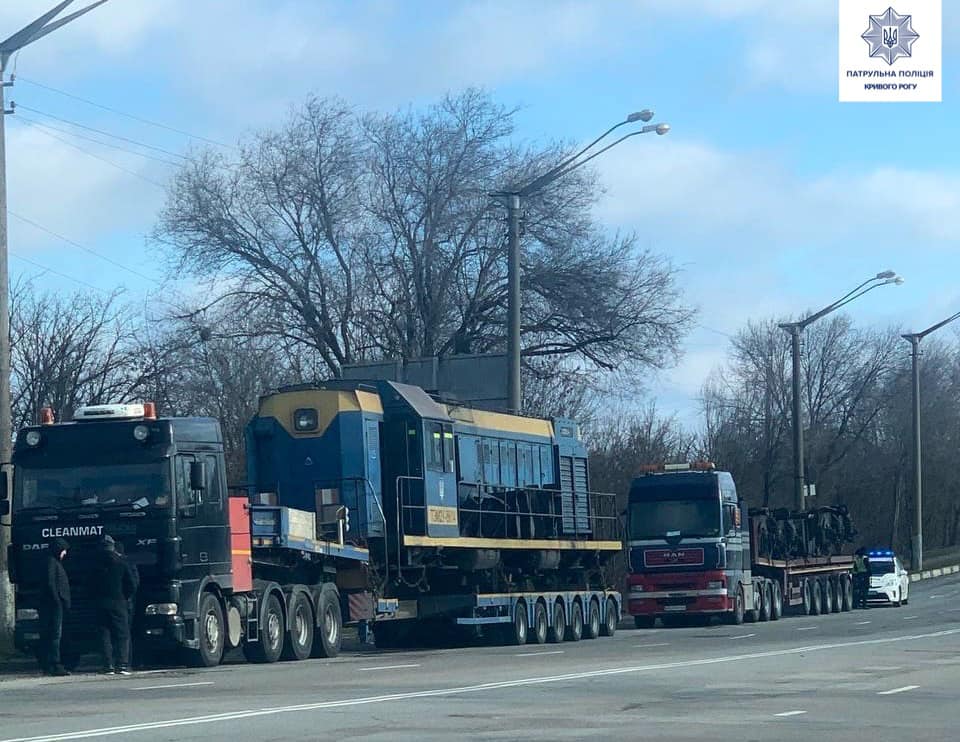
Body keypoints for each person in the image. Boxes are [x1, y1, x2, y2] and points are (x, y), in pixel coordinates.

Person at [90, 535, 136, 675]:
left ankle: (107, 665)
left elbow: (88, 585)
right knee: (122, 634)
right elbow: (131, 584)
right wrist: (124, 597)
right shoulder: (122, 562)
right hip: (118, 602)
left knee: (104, 634)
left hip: (100, 602)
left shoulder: (95, 564)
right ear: (113, 546)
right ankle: (122, 664)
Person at [38, 538, 71, 676]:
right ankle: (54, 664)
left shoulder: (54, 562)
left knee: (53, 634)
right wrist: (57, 600)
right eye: (64, 550)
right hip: (54, 605)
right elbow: (51, 583)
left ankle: (51, 664)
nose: (65, 554)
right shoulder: (52, 563)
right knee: (54, 635)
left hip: (55, 604)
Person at [114, 542, 139, 668]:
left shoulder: (120, 563)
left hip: (121, 602)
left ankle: (117, 662)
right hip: (125, 602)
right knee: (125, 633)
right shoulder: (127, 563)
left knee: (119, 633)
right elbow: (133, 583)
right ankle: (126, 662)